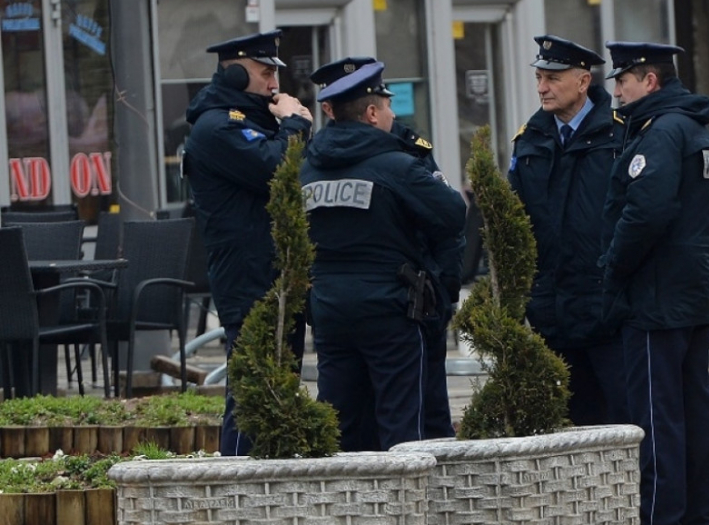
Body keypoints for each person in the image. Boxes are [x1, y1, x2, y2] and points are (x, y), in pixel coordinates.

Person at [299, 61, 466, 451]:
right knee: (401, 427)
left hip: (329, 310)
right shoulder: (397, 166)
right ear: (372, 113)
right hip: (389, 309)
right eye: (388, 106)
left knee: (339, 424)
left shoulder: (306, 170)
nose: (393, 114)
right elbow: (453, 213)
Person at [600, 41, 709, 525]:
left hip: (656, 297)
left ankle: (662, 517)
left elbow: (646, 212)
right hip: (693, 291)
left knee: (657, 421)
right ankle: (699, 516)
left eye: (623, 81)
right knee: (696, 414)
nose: (617, 92)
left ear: (649, 80)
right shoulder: (696, 130)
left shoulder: (661, 132)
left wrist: (613, 268)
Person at [183, 30, 314, 456]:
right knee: (252, 393)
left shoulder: (256, 120)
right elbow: (274, 167)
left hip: (273, 270)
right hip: (247, 275)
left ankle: (273, 474)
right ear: (235, 74)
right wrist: (295, 125)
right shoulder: (217, 126)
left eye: (274, 73)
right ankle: (237, 474)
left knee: (280, 387)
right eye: (264, 73)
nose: (274, 83)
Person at [507, 35, 627, 426]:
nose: (542, 88)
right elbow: (515, 222)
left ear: (583, 81)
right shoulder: (529, 139)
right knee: (571, 426)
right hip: (552, 310)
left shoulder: (620, 135)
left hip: (607, 308)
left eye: (553, 78)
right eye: (539, 78)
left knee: (624, 421)